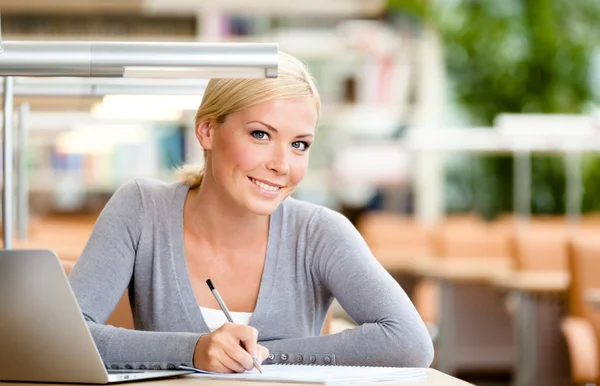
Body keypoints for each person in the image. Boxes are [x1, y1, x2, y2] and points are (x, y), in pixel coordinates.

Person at [68, 51, 434, 374]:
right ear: (207, 130)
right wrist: (193, 351)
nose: (282, 164)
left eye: (299, 144)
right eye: (260, 135)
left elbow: (409, 342)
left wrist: (260, 356)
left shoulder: (320, 232)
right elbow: (65, 333)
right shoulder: (141, 209)